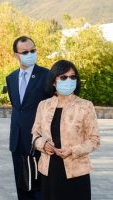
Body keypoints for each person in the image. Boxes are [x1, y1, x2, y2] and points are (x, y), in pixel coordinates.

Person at [31, 60, 100, 200]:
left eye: (73, 77)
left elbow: (94, 140)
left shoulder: (85, 106)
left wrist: (73, 150)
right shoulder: (43, 106)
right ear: (54, 82)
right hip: (49, 170)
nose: (69, 80)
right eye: (63, 77)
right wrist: (42, 144)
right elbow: (35, 135)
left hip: (76, 171)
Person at [6, 36, 49, 200]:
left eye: (33, 50)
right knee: (22, 183)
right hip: (17, 140)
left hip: (39, 139)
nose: (30, 54)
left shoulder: (46, 75)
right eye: (25, 52)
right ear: (16, 55)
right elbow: (18, 107)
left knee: (39, 185)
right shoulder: (10, 78)